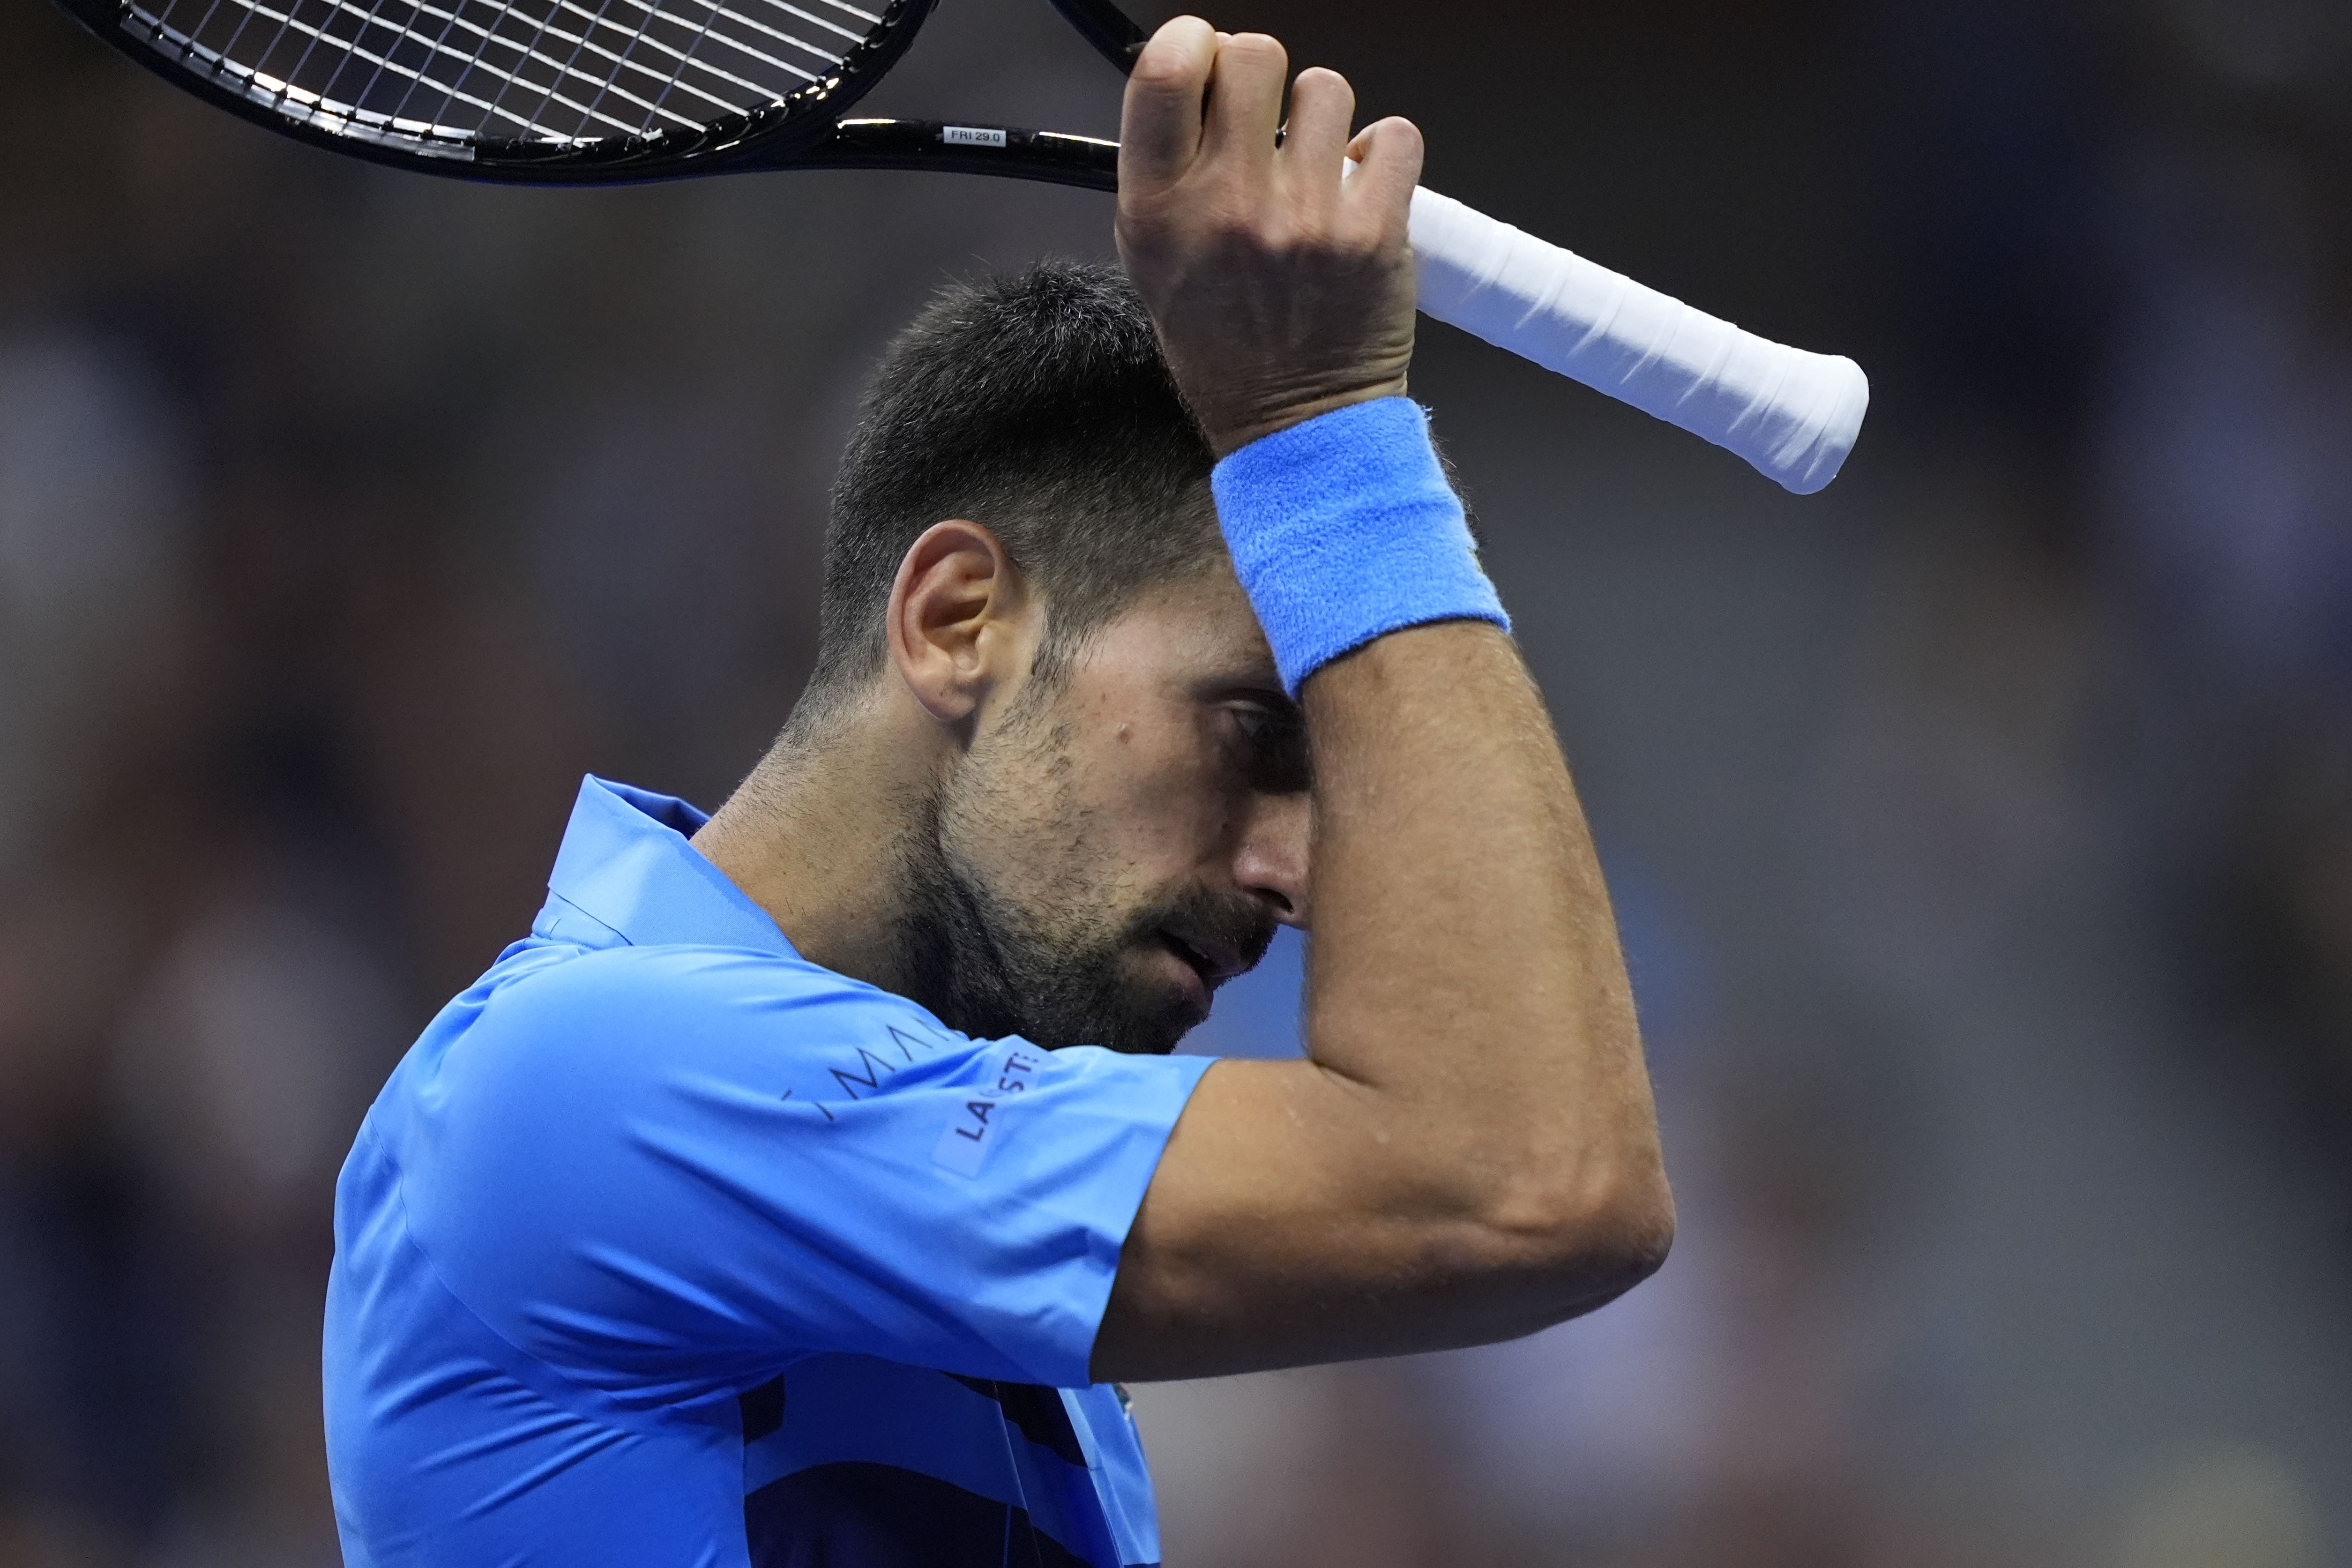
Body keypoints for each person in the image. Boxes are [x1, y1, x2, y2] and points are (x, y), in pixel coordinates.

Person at [321, 16, 1675, 1567]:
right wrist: (1320, 423)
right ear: (961, 622)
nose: (1299, 879)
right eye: (1247, 729)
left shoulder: (1032, 1343)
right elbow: (1529, 1181)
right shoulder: (594, 1076)